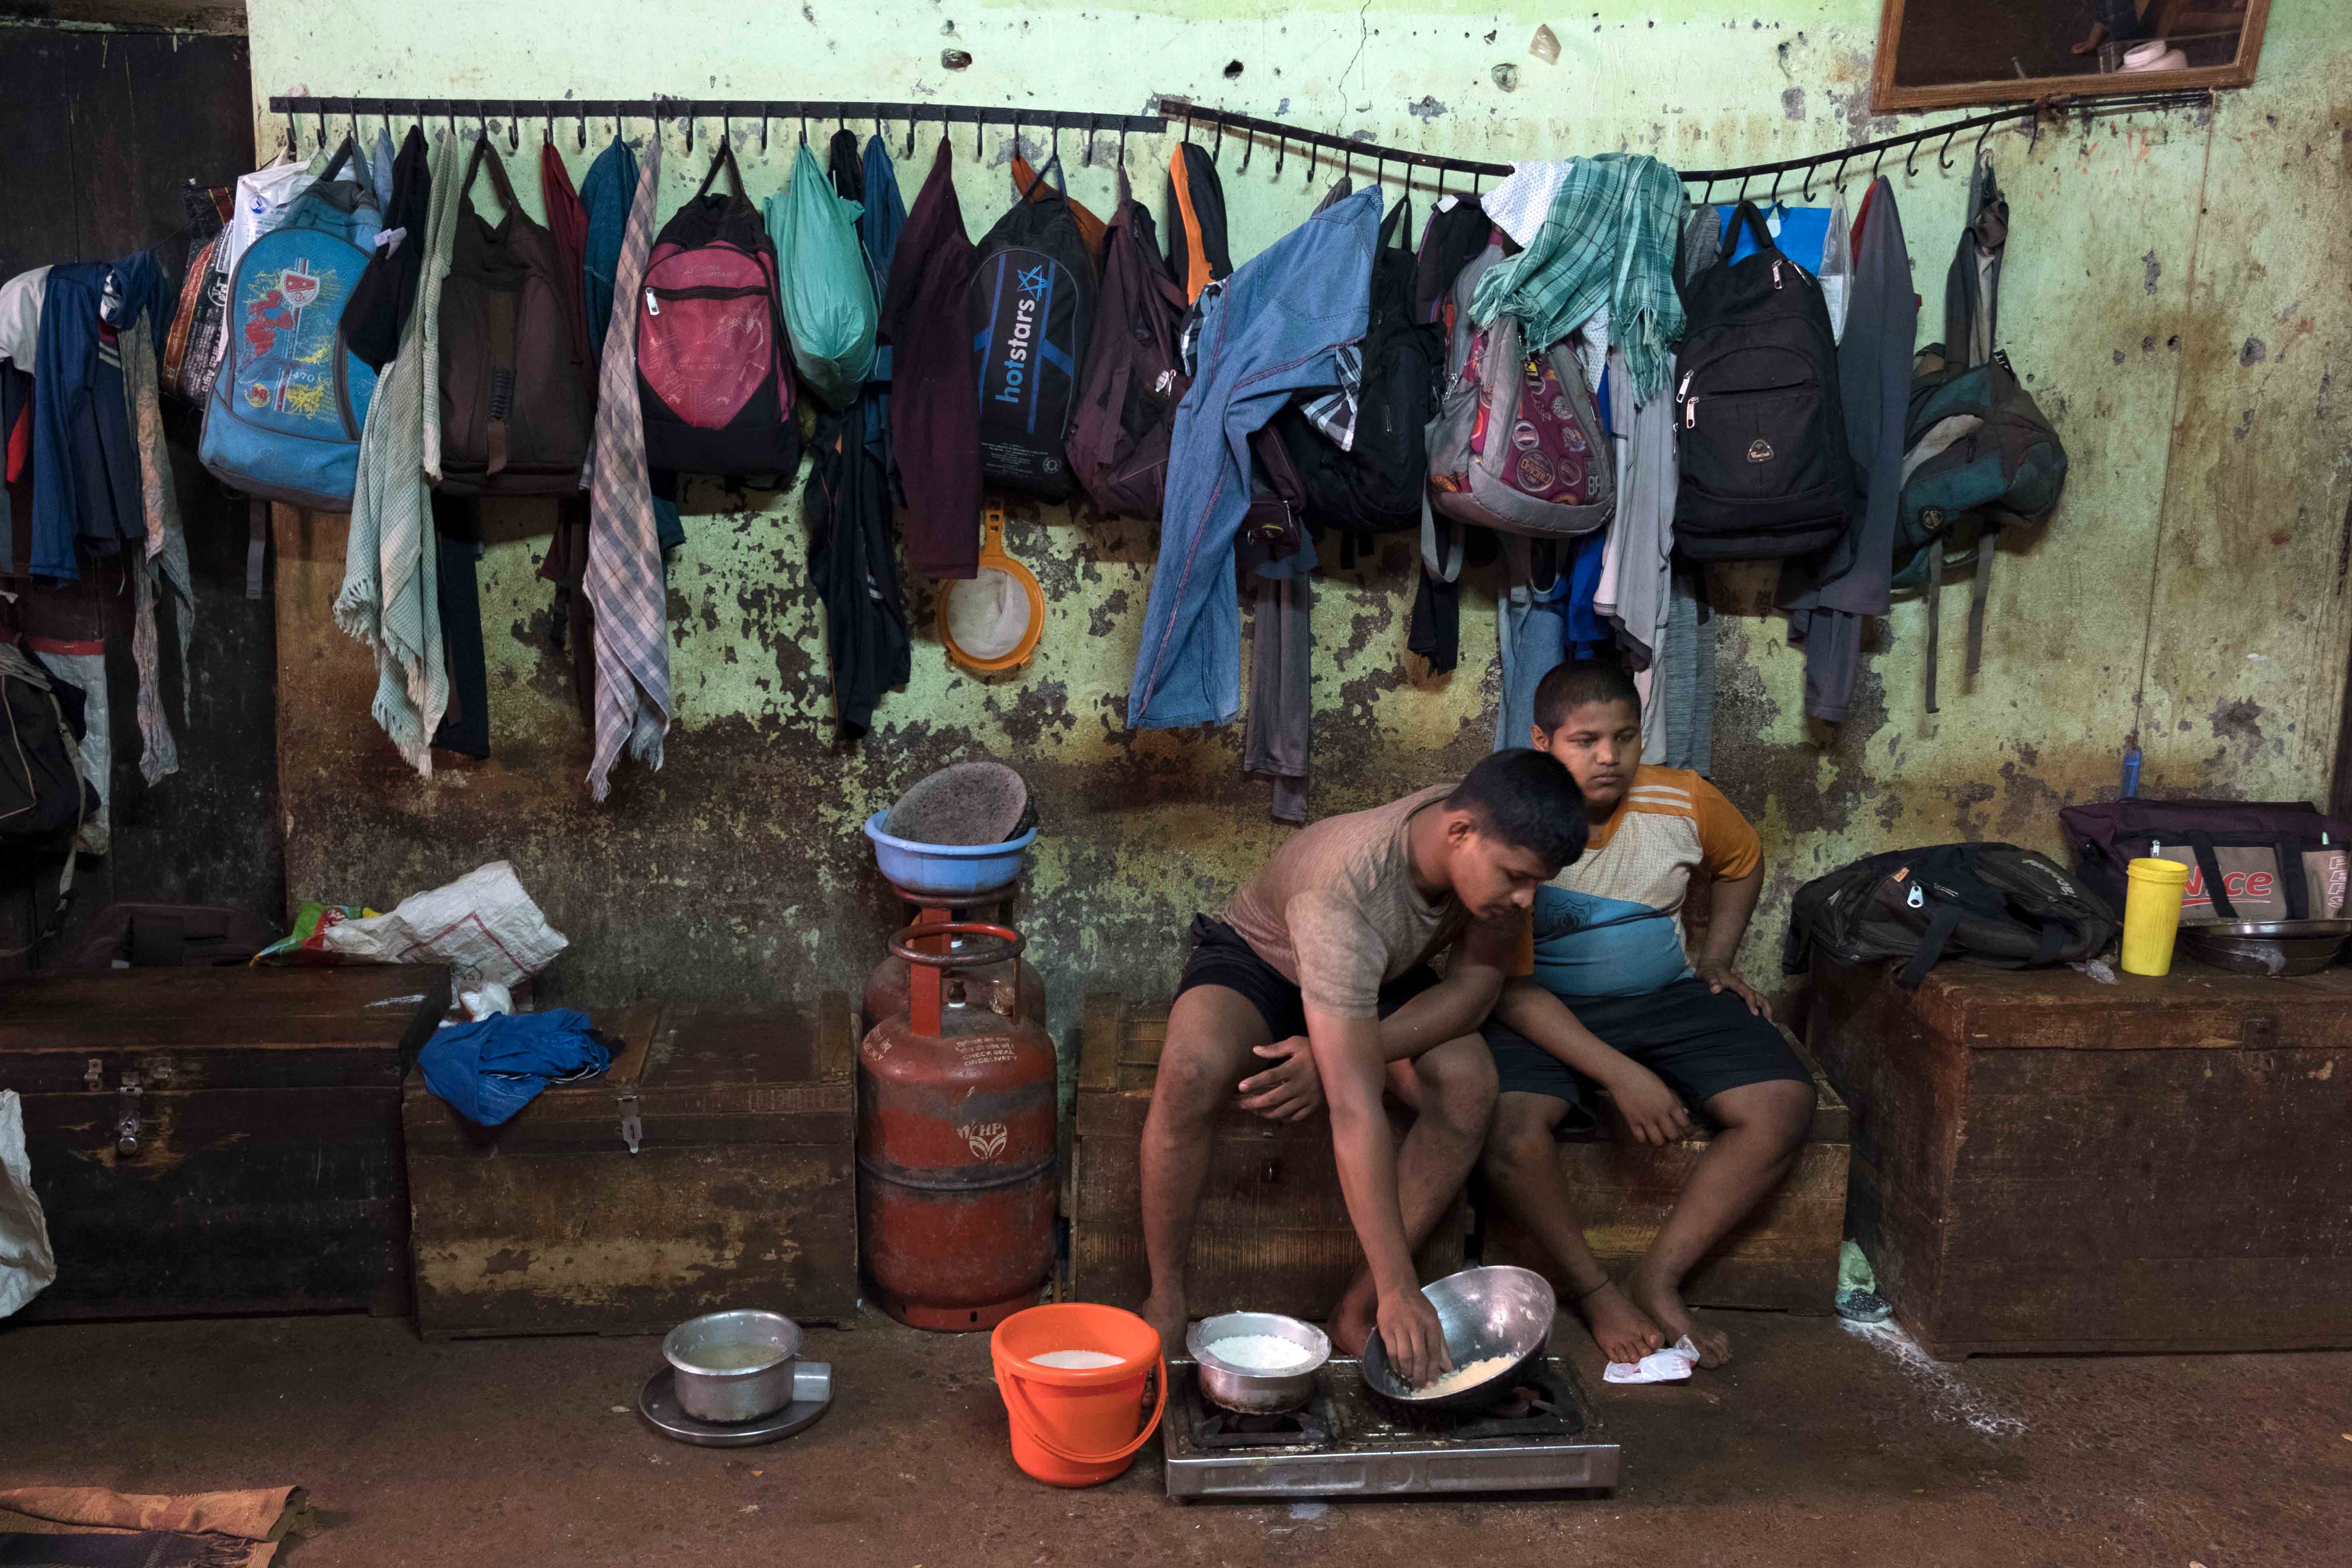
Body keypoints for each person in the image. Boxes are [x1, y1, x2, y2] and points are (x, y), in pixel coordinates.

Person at [1137, 749, 1588, 1388]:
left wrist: (1339, 1051)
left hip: (1379, 978)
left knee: (1466, 1086)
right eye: (1517, 878)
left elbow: (1474, 992)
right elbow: (1354, 1106)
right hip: (1267, 963)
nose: (1526, 900)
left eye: (1538, 883)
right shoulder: (1344, 891)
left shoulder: (1480, 828)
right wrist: (1410, 1284)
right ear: (1460, 834)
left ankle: (1361, 1307)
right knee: (1190, 1068)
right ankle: (1167, 1298)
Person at [1479, 660, 1815, 1369]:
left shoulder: (1683, 799)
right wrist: (1622, 1075)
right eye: (1585, 741)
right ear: (1542, 742)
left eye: (1625, 738)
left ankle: (1658, 1277)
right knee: (1509, 1130)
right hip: (1540, 1010)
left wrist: (1718, 957)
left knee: (1782, 1101)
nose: (1609, 758)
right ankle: (1596, 1289)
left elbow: (1743, 861)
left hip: (1666, 1000)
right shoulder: (1510, 819)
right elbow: (1500, 986)